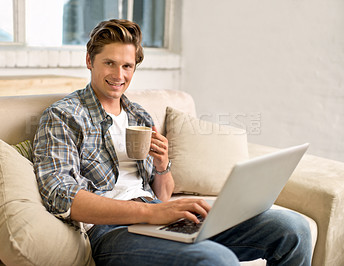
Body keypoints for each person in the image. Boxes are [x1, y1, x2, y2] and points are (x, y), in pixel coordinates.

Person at [33, 19, 312, 265]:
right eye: (109, 63)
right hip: (111, 231)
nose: (119, 75)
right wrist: (152, 213)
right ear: (89, 60)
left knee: (293, 228)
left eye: (127, 66)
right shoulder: (64, 115)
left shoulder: (138, 115)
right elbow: (61, 197)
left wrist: (162, 165)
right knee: (216, 259)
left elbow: (163, 195)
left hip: (158, 215)